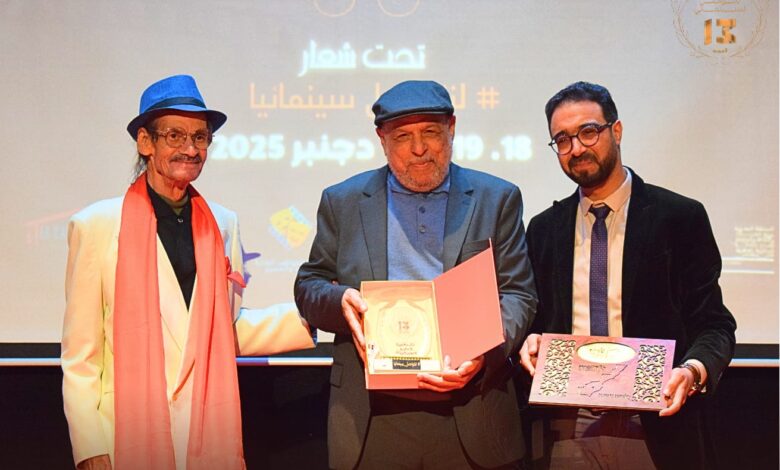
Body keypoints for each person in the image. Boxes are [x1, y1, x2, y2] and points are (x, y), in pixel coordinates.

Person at [61, 75, 314, 470]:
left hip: (206, 428)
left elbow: (218, 329)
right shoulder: (96, 225)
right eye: (175, 136)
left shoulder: (223, 223)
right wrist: (90, 445)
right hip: (124, 433)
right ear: (145, 142)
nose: (191, 149)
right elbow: (81, 354)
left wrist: (310, 316)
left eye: (200, 137)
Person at [295, 80, 537, 470]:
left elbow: (518, 294)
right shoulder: (343, 201)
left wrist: (482, 352)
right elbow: (309, 285)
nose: (419, 149)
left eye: (430, 133)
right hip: (372, 417)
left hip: (472, 409)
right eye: (403, 137)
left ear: (452, 128)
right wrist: (341, 302)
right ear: (381, 139)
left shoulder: (497, 198)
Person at [519, 81, 737, 469]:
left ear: (616, 131)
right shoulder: (544, 229)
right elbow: (535, 323)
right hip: (568, 425)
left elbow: (715, 325)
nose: (576, 148)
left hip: (657, 421)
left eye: (588, 132)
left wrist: (691, 371)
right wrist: (531, 340)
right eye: (562, 139)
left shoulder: (679, 218)